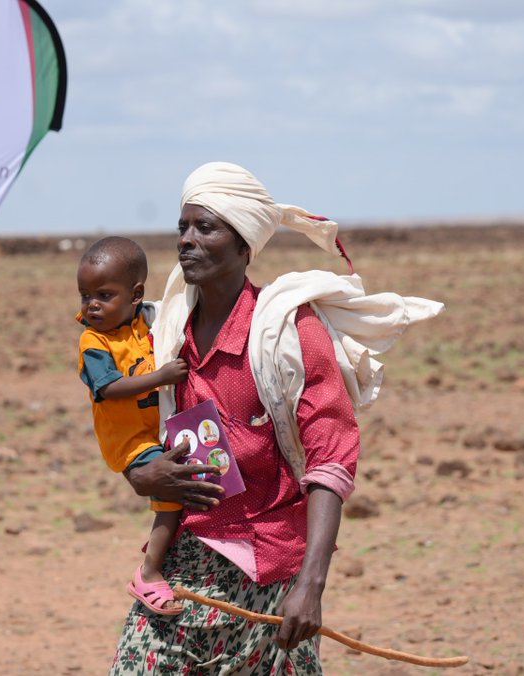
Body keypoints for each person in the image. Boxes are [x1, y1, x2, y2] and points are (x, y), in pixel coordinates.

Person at [109, 162, 441, 675]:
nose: (187, 241)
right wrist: (140, 473)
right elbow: (121, 418)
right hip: (183, 556)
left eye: (206, 227)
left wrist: (310, 587)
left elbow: (331, 458)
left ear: (244, 246)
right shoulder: (165, 331)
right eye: (183, 227)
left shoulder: (289, 334)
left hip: (268, 565)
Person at [76, 236, 193, 615]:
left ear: (135, 294)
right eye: (85, 295)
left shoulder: (147, 323)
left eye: (103, 295)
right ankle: (150, 571)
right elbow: (109, 388)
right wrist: (161, 377)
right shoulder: (93, 341)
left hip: (154, 431)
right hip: (129, 440)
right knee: (170, 493)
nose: (92, 305)